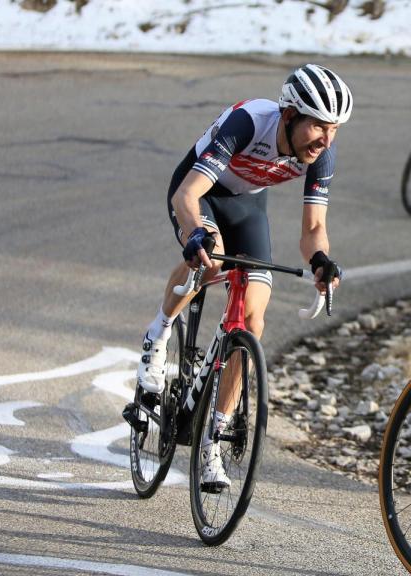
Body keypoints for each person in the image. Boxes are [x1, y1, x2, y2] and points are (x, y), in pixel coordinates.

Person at [134, 64, 352, 488]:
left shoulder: (322, 153)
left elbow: (312, 229)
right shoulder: (248, 122)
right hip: (200, 193)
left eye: (334, 130)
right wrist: (196, 231)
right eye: (318, 128)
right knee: (211, 256)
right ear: (289, 116)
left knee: (252, 320)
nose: (325, 140)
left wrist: (321, 261)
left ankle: (212, 436)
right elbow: (188, 194)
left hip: (248, 206)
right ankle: (158, 334)